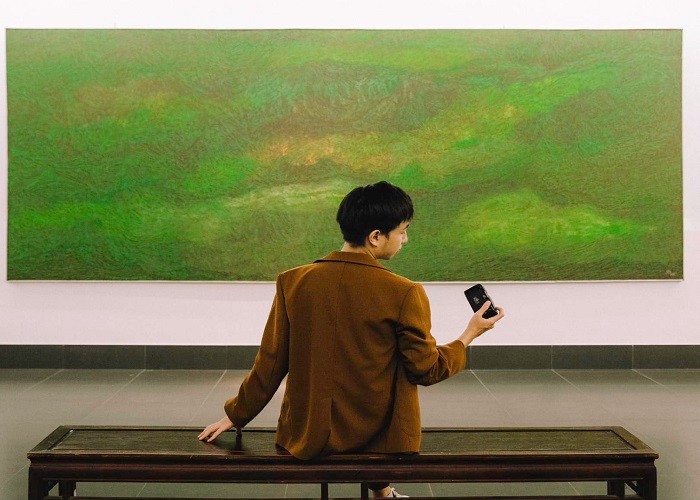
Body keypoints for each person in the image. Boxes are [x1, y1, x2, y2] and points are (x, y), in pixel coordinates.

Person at [199, 181, 504, 498]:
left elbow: (271, 363)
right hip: (377, 441)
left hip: (306, 436)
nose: (405, 239)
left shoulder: (293, 282)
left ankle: (382, 491)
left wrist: (236, 415)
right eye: (402, 231)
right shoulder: (404, 292)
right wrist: (470, 333)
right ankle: (383, 492)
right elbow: (425, 370)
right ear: (375, 236)